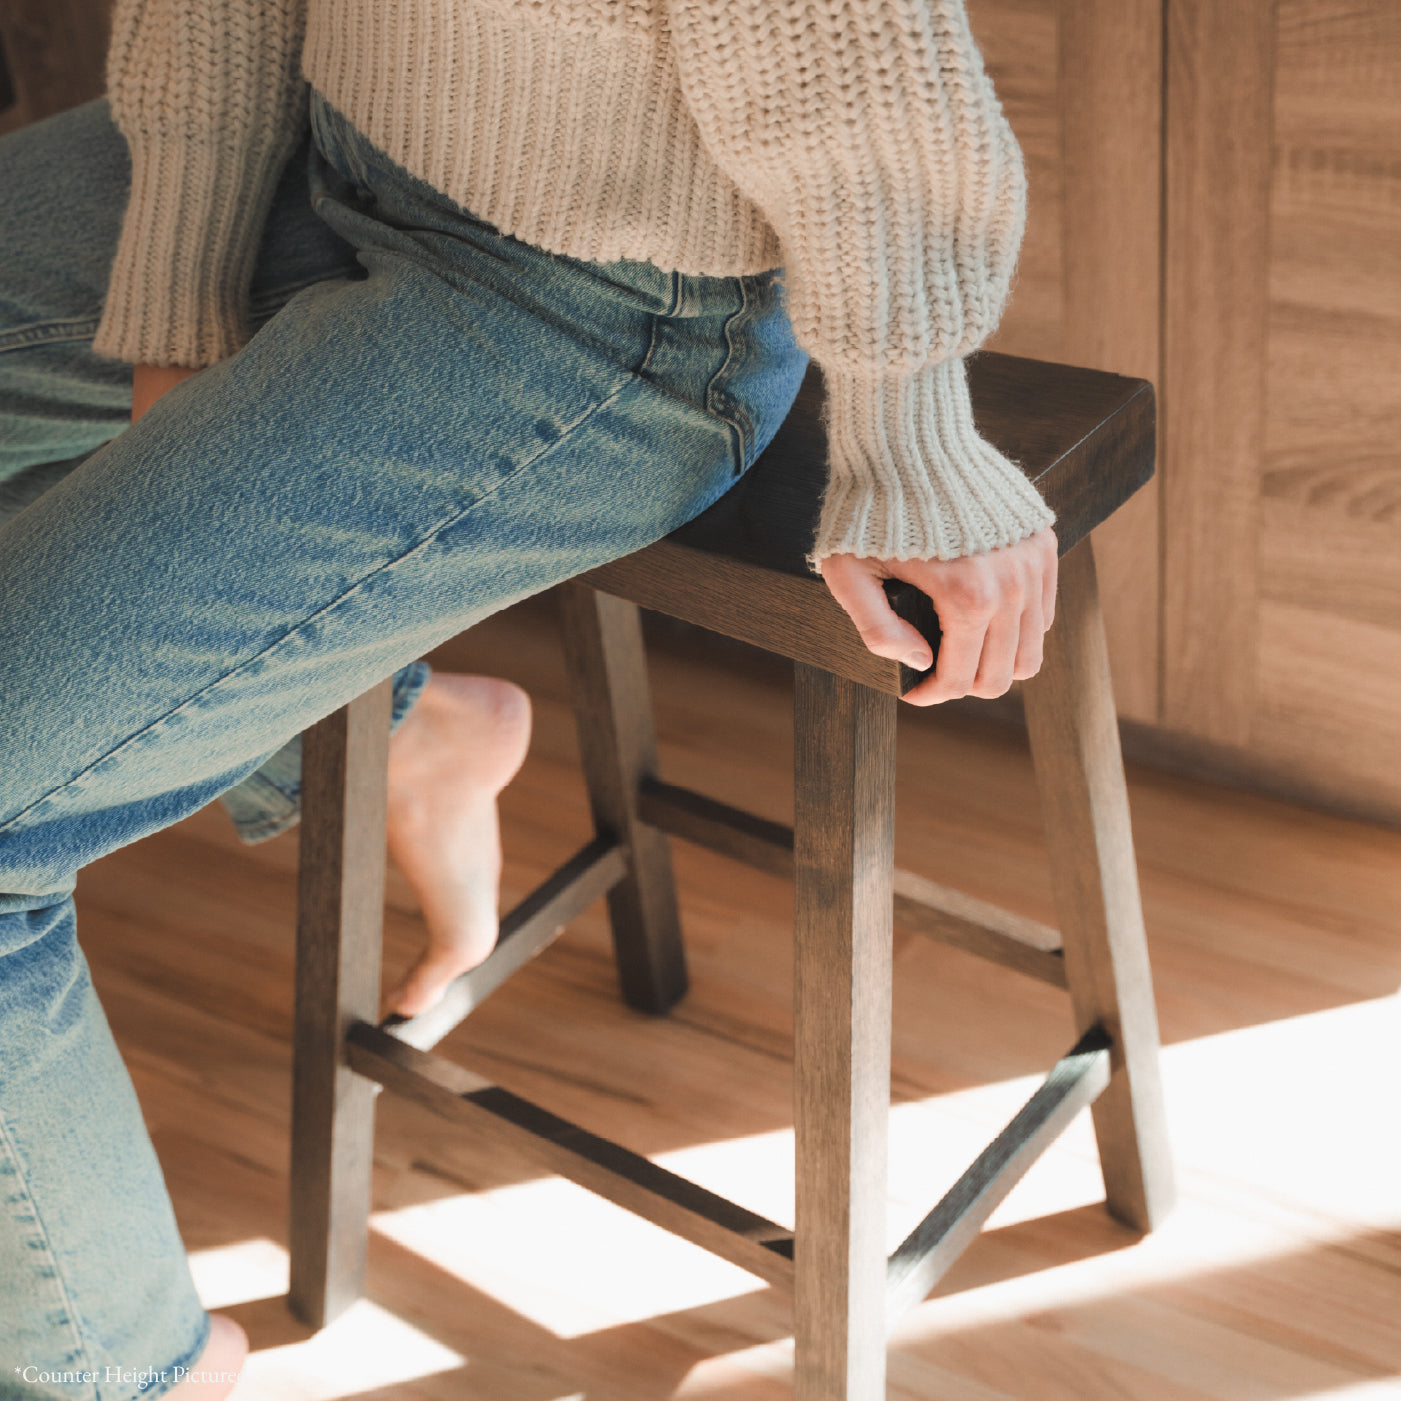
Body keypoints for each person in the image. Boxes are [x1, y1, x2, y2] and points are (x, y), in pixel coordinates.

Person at [0, 0, 1058, 1395]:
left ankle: (125, 1375)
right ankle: (400, 732)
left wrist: (911, 418)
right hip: (325, 152)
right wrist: (179, 279)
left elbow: (850, 72)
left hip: (601, 295)